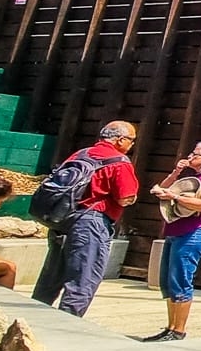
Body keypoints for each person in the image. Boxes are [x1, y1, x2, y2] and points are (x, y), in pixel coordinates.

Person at [31, 121, 139, 316]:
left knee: (51, 276)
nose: (132, 145)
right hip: (92, 222)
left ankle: (34, 318)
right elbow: (125, 198)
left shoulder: (81, 154)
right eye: (132, 140)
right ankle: (67, 325)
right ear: (121, 140)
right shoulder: (120, 162)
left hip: (63, 219)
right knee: (83, 278)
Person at [143, 141, 201, 342]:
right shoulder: (192, 178)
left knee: (181, 277)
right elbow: (161, 189)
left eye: (196, 153)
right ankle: (170, 326)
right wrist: (176, 173)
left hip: (195, 231)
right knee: (168, 280)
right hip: (175, 230)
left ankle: (179, 330)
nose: (190, 155)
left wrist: (175, 197)